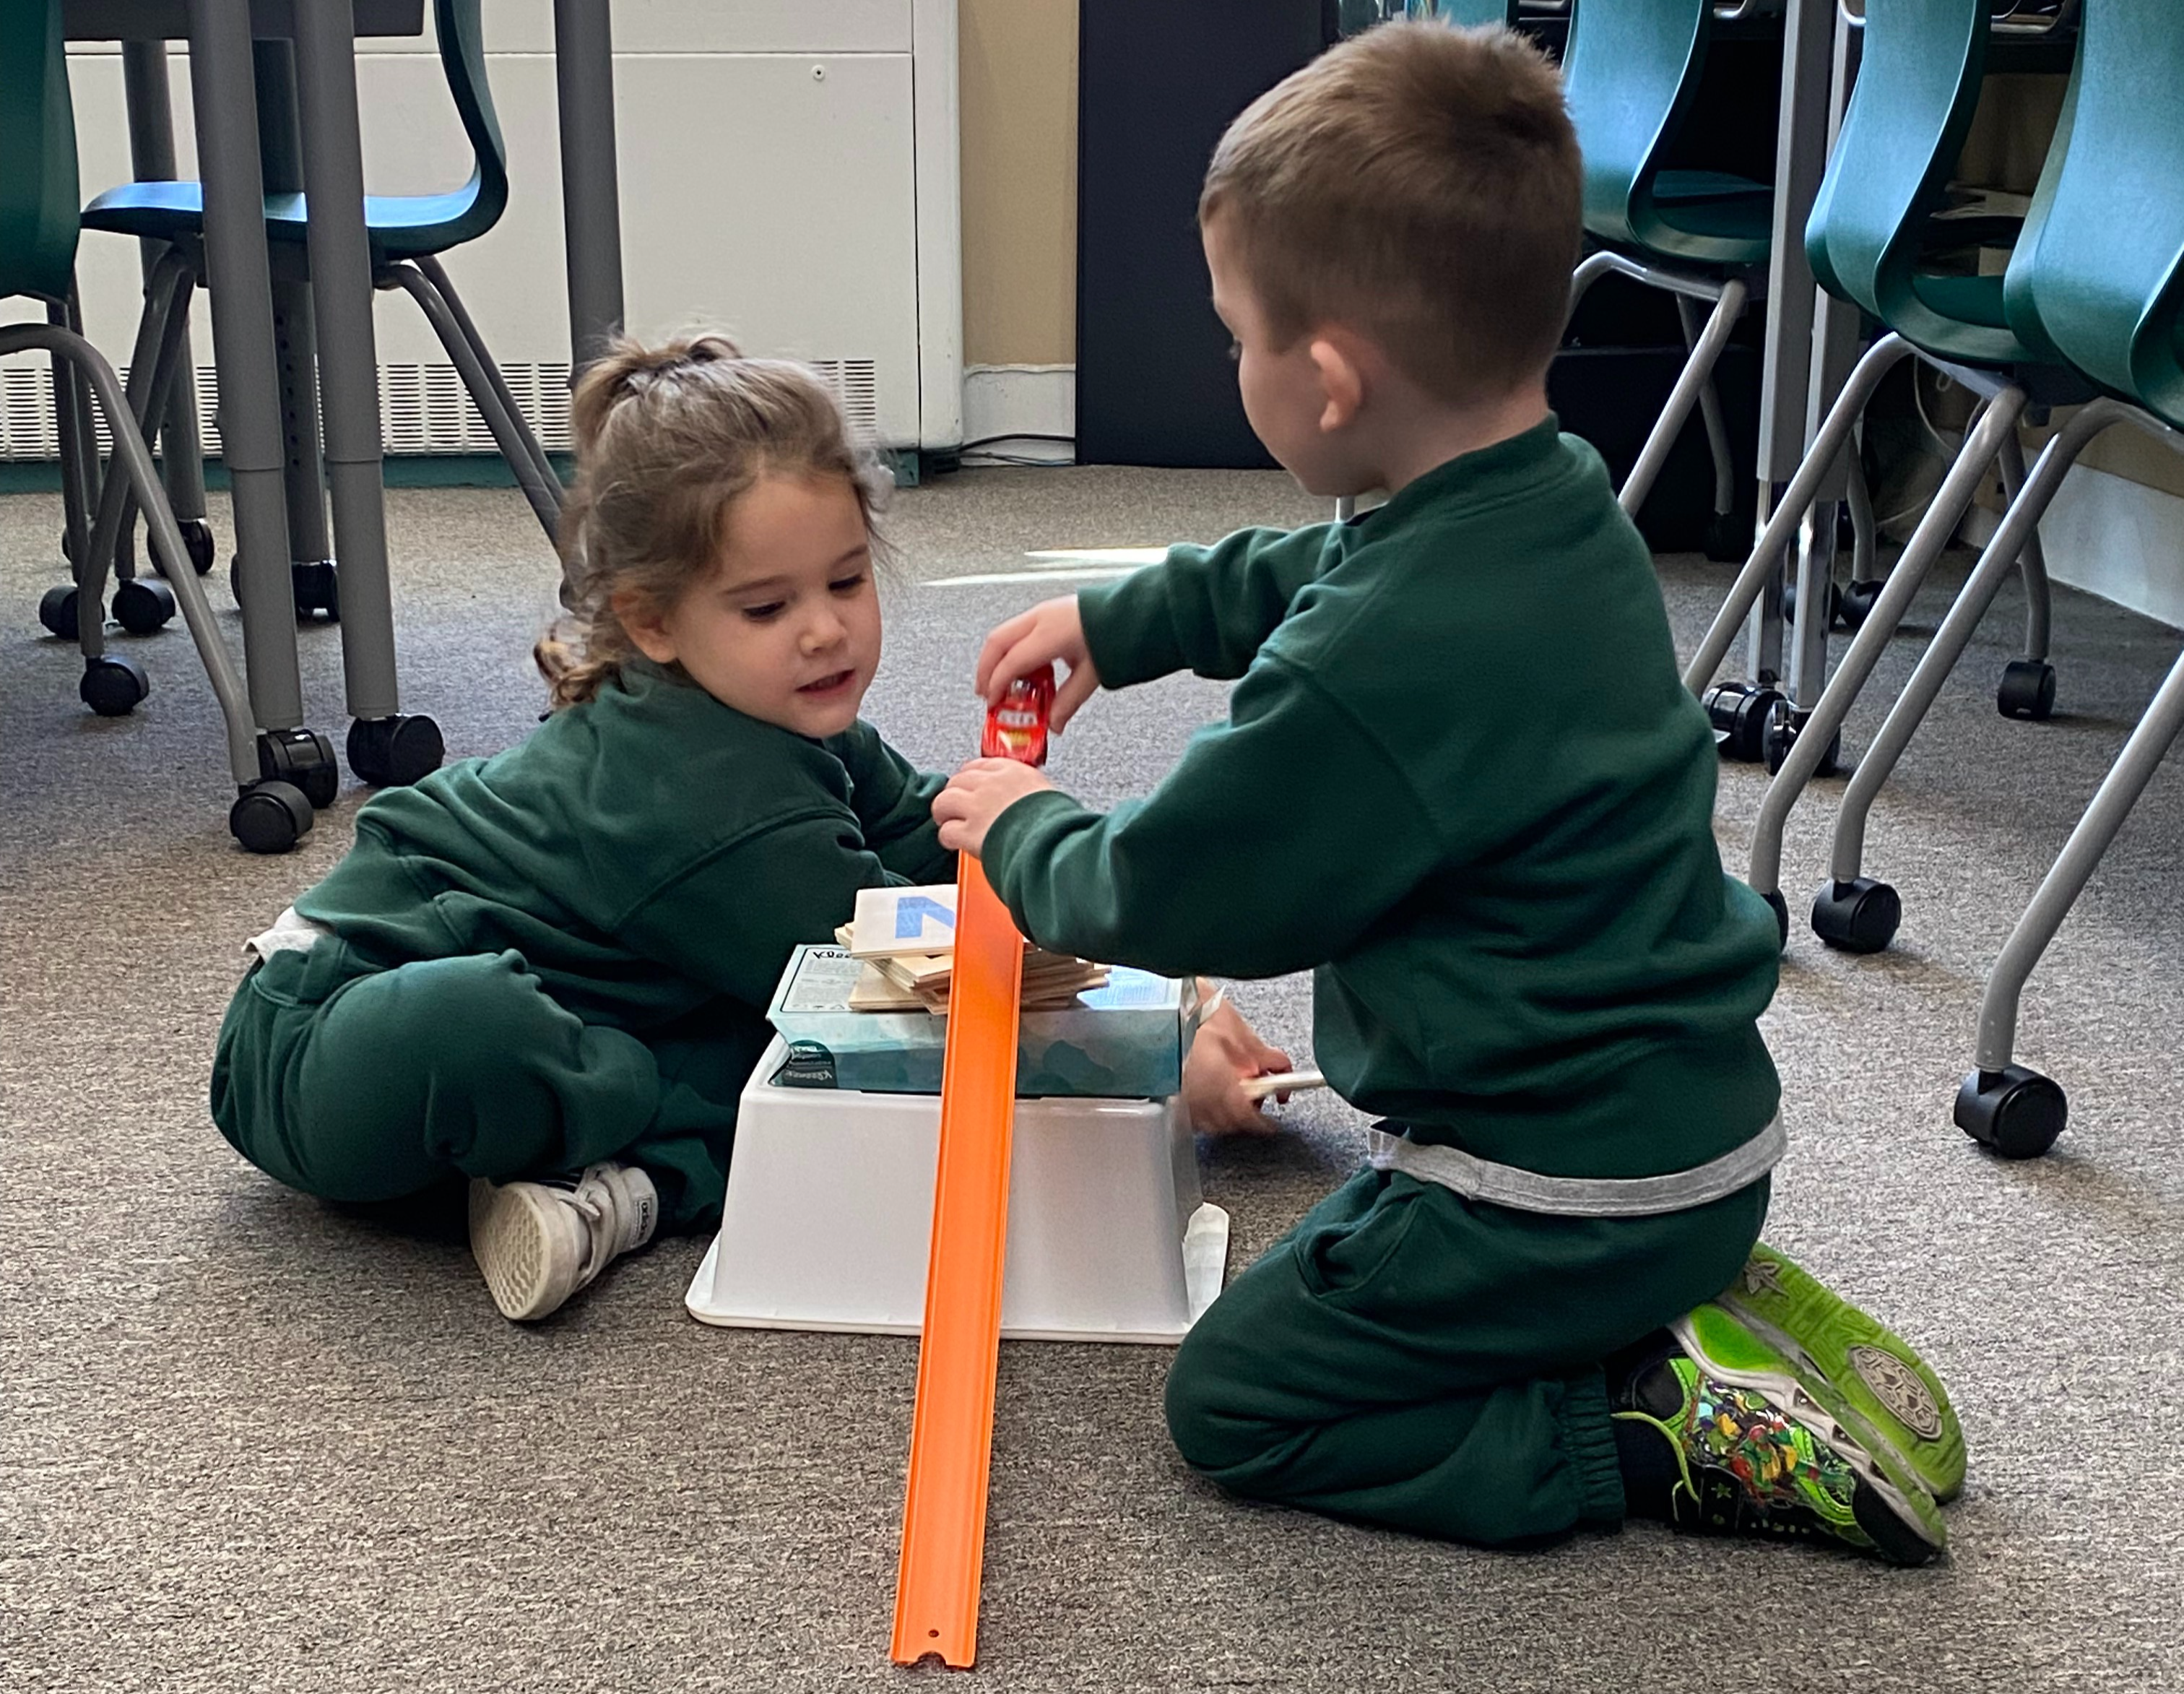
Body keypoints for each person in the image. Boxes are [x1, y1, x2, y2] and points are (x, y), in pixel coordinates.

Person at [934, 21, 1965, 1563]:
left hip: (1552, 1183)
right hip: (1689, 1128)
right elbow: (1321, 562)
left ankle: (1635, 1414)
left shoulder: (1373, 667)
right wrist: (1127, 615)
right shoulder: (1553, 500)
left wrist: (1024, 831)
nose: (1233, 363)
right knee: (1364, 1240)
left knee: (1240, 1398)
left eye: (1239, 336)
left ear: (1331, 381)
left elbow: (1176, 882)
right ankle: (1672, 1294)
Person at [209, 334, 1274, 1323]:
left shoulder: (780, 718)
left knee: (767, 1033)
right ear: (653, 623)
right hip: (321, 1037)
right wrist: (1150, 1054)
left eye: (848, 581)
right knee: (802, 1049)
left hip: (577, 1001)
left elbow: (944, 857)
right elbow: (917, 982)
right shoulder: (702, 794)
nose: (824, 630)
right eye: (766, 608)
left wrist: (1160, 971)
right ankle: (652, 1175)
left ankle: (606, 1172)